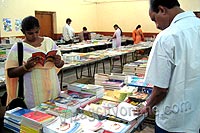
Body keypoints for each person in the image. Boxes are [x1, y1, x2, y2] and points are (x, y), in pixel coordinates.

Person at [137, 0, 200, 132]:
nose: (157, 26)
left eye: (154, 19)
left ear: (162, 10)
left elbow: (160, 89)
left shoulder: (167, 36)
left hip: (175, 121)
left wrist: (147, 105)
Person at [5, 16, 64, 109]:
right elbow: (10, 73)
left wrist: (58, 62)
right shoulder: (18, 48)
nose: (35, 36)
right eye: (30, 33)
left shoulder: (49, 42)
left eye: (37, 32)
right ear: (23, 32)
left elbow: (60, 64)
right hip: (32, 94)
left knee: (54, 115)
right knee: (36, 119)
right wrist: (26, 67)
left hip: (53, 90)